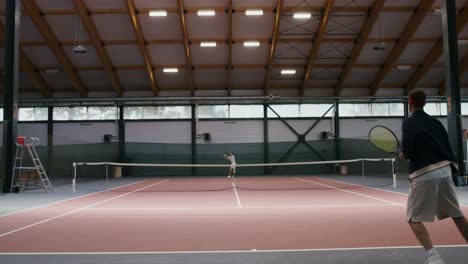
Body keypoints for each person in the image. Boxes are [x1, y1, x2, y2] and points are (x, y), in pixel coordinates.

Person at [401, 90, 468, 264]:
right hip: (445, 171)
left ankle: (434, 257)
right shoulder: (436, 122)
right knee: (457, 214)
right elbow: (446, 145)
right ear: (425, 103)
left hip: (424, 174)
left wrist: (403, 154)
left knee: (412, 218)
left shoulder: (409, 123)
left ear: (410, 102)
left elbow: (407, 152)